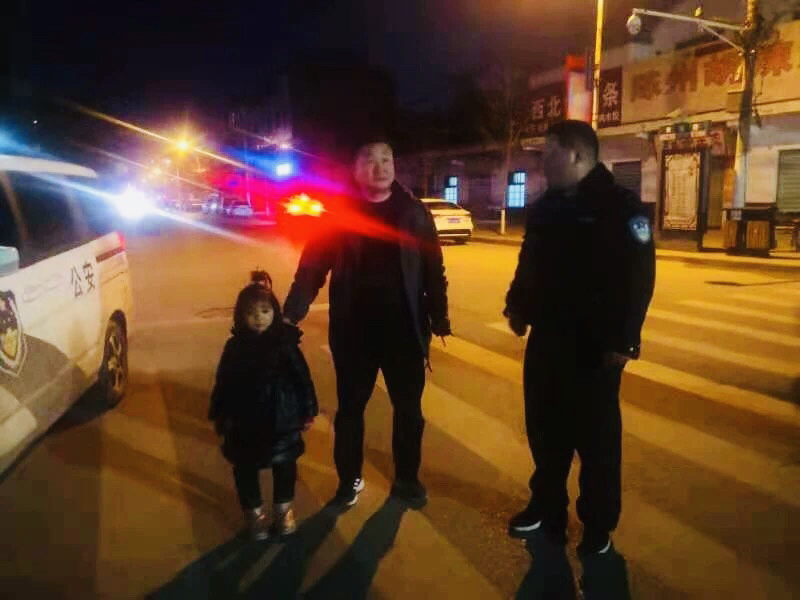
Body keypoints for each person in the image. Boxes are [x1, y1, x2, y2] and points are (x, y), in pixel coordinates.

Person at [504, 120, 655, 556]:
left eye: (549, 153)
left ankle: (597, 525)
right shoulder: (547, 207)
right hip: (548, 340)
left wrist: (625, 341)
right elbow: (529, 260)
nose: (543, 163)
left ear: (575, 155)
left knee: (597, 441)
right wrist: (517, 305)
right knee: (544, 430)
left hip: (596, 348)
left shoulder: (620, 208)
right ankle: (546, 506)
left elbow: (639, 278)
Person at [284, 137, 451, 509]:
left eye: (386, 159)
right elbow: (312, 268)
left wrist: (440, 316)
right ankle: (349, 480)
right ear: (355, 169)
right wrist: (291, 313)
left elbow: (433, 270)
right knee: (350, 410)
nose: (381, 167)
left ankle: (406, 479)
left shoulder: (414, 214)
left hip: (404, 333)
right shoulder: (337, 215)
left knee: (409, 411)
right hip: (354, 333)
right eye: (371, 160)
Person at [209, 270, 319, 541]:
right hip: (244, 423)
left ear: (275, 313)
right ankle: (254, 516)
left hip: (282, 420)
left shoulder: (285, 345)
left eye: (265, 311)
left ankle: (283, 512)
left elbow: (302, 378)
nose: (258, 317)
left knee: (285, 466)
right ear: (240, 316)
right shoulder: (234, 347)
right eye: (251, 312)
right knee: (245, 469)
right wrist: (220, 414)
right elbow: (224, 382)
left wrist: (308, 410)